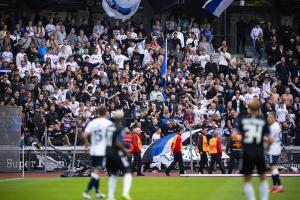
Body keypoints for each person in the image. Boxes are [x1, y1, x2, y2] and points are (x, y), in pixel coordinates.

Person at [235, 99, 272, 200]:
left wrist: (243, 138)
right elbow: (270, 139)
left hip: (247, 152)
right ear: (259, 108)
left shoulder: (243, 120)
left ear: (249, 109)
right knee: (263, 178)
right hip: (259, 152)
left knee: (247, 180)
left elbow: (235, 135)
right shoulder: (263, 120)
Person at [82, 105, 110, 199]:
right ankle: (86, 191)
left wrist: (86, 144)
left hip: (93, 149)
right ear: (105, 112)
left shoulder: (93, 122)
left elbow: (85, 134)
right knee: (97, 171)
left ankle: (97, 192)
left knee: (96, 171)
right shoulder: (107, 123)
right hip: (101, 150)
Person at [106, 110, 133, 200]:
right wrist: (126, 151)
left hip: (107, 153)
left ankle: (110, 196)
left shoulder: (109, 127)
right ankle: (125, 193)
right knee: (128, 171)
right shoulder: (120, 129)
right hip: (116, 153)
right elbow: (118, 142)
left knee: (113, 175)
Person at [267, 112, 284, 193]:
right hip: (277, 147)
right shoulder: (277, 125)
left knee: (273, 168)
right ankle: (274, 186)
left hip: (272, 149)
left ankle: (280, 186)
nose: (268, 119)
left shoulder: (273, 127)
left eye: (270, 117)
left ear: (274, 118)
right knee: (273, 167)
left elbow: (270, 140)